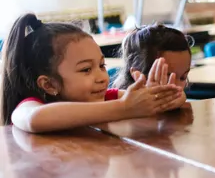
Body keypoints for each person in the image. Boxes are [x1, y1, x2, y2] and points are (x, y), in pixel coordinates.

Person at [1, 14, 183, 133]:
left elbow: (159, 100)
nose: (102, 77)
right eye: (86, 69)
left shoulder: (104, 98)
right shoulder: (31, 105)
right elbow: (34, 118)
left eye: (102, 66)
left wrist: (162, 97)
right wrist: (124, 108)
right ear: (49, 85)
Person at [114, 24, 192, 98]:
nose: (178, 87)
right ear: (137, 74)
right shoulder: (121, 107)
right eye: (166, 77)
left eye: (182, 77)